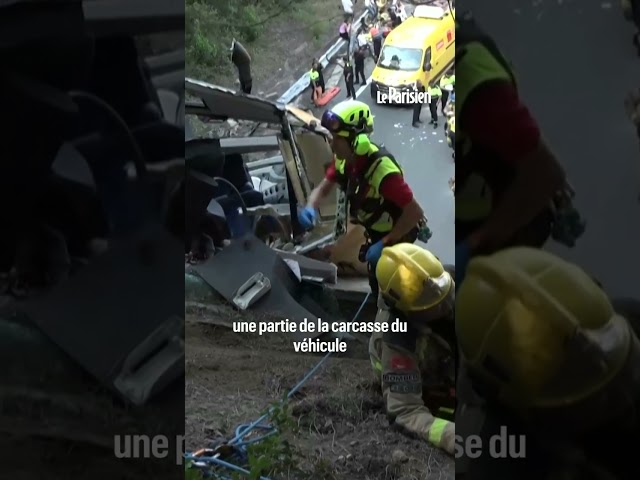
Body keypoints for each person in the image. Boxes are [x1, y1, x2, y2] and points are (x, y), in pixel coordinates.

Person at [456, 247, 640, 479]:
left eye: (627, 368)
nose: (624, 403)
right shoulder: (500, 463)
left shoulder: (629, 319)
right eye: (594, 403)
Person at [454, 14, 582, 286]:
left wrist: (476, 244)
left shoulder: (469, 75)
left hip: (493, 224)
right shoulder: (461, 44)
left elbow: (546, 174)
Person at [297, 99, 427, 298]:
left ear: (356, 142)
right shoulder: (344, 161)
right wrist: (310, 207)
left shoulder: (382, 171)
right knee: (378, 282)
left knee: (398, 288)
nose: (331, 143)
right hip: (376, 233)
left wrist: (385, 243)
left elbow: (414, 212)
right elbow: (323, 189)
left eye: (336, 138)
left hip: (398, 234)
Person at [369, 243, 456, 455]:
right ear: (407, 310)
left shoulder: (441, 280)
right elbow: (406, 411)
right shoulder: (395, 339)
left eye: (446, 291)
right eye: (433, 306)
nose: (446, 305)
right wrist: (453, 436)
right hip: (427, 381)